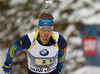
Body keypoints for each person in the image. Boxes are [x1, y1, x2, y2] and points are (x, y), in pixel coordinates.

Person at [2, 12, 68, 74]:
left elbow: (62, 56)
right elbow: (13, 48)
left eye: (49, 29)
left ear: (52, 28)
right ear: (38, 28)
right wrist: (8, 63)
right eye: (43, 29)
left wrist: (59, 69)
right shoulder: (29, 39)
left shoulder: (59, 40)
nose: (46, 32)